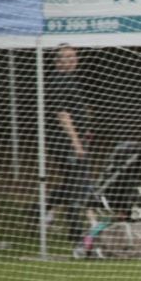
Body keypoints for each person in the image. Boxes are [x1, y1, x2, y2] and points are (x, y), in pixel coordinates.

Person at [45, 44, 99, 258]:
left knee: (72, 184)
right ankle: (78, 239)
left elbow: (75, 109)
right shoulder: (58, 80)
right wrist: (76, 143)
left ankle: (41, 210)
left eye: (73, 56)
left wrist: (86, 125)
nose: (70, 60)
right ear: (57, 61)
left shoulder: (71, 79)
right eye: (65, 57)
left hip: (74, 142)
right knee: (78, 188)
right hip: (65, 144)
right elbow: (63, 115)